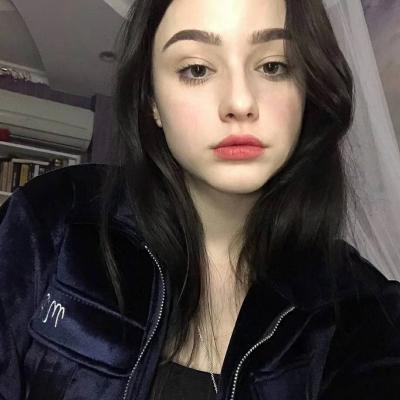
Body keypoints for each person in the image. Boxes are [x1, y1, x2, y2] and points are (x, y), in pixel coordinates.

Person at [1, 0, 400, 399]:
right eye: (196, 69)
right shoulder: (55, 221)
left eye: (273, 66)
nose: (240, 103)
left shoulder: (358, 306)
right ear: (153, 101)